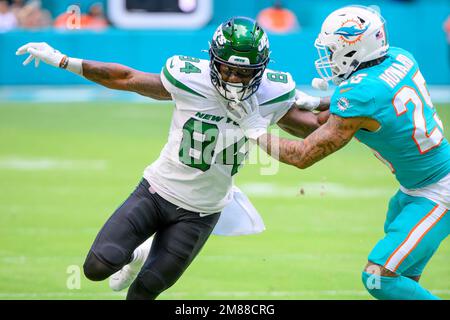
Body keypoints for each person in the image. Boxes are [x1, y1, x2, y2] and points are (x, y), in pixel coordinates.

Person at [16, 17, 329, 300]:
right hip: (156, 192)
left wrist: (346, 100)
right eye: (227, 69)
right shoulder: (190, 79)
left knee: (144, 293)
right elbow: (125, 78)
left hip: (202, 212)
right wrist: (63, 60)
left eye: (244, 72)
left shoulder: (273, 93)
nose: (234, 79)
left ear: (260, 70)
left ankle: (146, 257)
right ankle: (138, 254)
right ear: (212, 60)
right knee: (96, 267)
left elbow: (316, 128)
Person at [228, 6, 450, 300]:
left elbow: (302, 154)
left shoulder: (361, 95)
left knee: (379, 280)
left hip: (437, 192)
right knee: (404, 279)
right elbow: (364, 101)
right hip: (416, 188)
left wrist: (254, 128)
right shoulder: (398, 57)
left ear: (355, 48)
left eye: (332, 50)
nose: (329, 58)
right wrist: (317, 102)